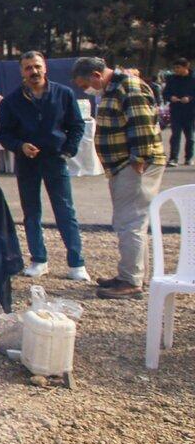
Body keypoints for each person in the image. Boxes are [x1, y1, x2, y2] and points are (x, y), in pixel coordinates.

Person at [72, 57, 168, 299]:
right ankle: (133, 274)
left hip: (134, 165)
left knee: (130, 222)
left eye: (86, 85)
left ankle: (131, 280)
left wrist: (139, 159)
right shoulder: (114, 87)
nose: (87, 90)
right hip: (123, 165)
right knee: (131, 221)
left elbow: (142, 124)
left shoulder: (128, 86)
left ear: (96, 75)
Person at [0, 50, 88, 281]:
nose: (34, 71)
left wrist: (68, 150)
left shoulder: (63, 94)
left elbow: (77, 125)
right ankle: (38, 259)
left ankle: (77, 263)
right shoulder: (11, 101)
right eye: (28, 68)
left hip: (55, 159)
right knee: (31, 212)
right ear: (21, 72)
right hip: (27, 161)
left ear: (45, 67)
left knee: (65, 210)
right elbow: (3, 133)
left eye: (37, 66)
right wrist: (20, 146)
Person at [163, 57, 194, 166]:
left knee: (190, 137)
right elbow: (165, 93)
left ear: (186, 67)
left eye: (178, 67)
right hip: (176, 111)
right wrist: (170, 97)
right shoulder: (172, 79)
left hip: (190, 112)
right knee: (175, 135)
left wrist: (189, 98)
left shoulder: (193, 78)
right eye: (175, 68)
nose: (176, 70)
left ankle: (188, 158)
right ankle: (173, 158)